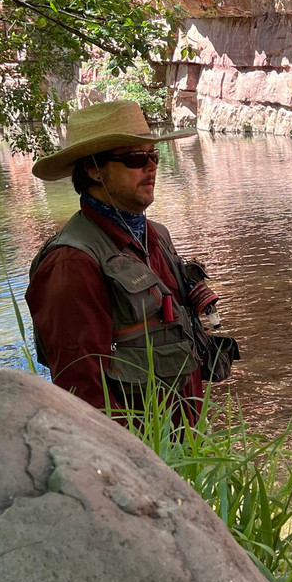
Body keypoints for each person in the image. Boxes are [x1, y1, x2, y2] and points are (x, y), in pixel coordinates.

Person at [26, 100, 238, 426]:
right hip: (140, 461)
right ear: (93, 169)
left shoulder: (157, 237)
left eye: (154, 156)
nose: (151, 167)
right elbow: (85, 398)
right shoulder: (70, 264)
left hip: (185, 450)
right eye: (136, 159)